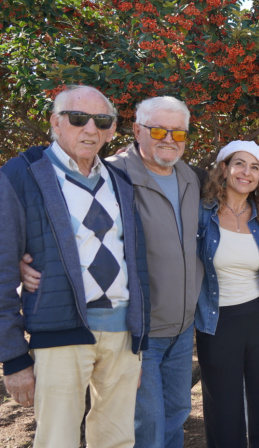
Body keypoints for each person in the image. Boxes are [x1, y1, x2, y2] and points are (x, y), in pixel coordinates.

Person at [21, 96, 203, 447]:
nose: (169, 139)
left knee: (174, 415)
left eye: (178, 133)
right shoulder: (116, 174)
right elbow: (53, 223)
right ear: (136, 130)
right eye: (159, 130)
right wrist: (21, 260)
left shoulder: (191, 177)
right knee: (142, 423)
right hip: (138, 327)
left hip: (180, 326)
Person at [0, 85, 150, 447]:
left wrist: (139, 337)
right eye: (78, 118)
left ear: (113, 129)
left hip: (122, 334)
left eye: (102, 121)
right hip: (59, 334)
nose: (90, 129)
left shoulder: (120, 181)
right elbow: (3, 269)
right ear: (55, 122)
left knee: (117, 440)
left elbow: (136, 259)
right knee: (57, 441)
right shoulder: (22, 174)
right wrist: (13, 358)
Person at [196, 140, 259, 448]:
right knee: (223, 409)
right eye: (240, 163)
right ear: (224, 169)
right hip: (217, 322)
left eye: (255, 167)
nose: (247, 172)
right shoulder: (202, 214)